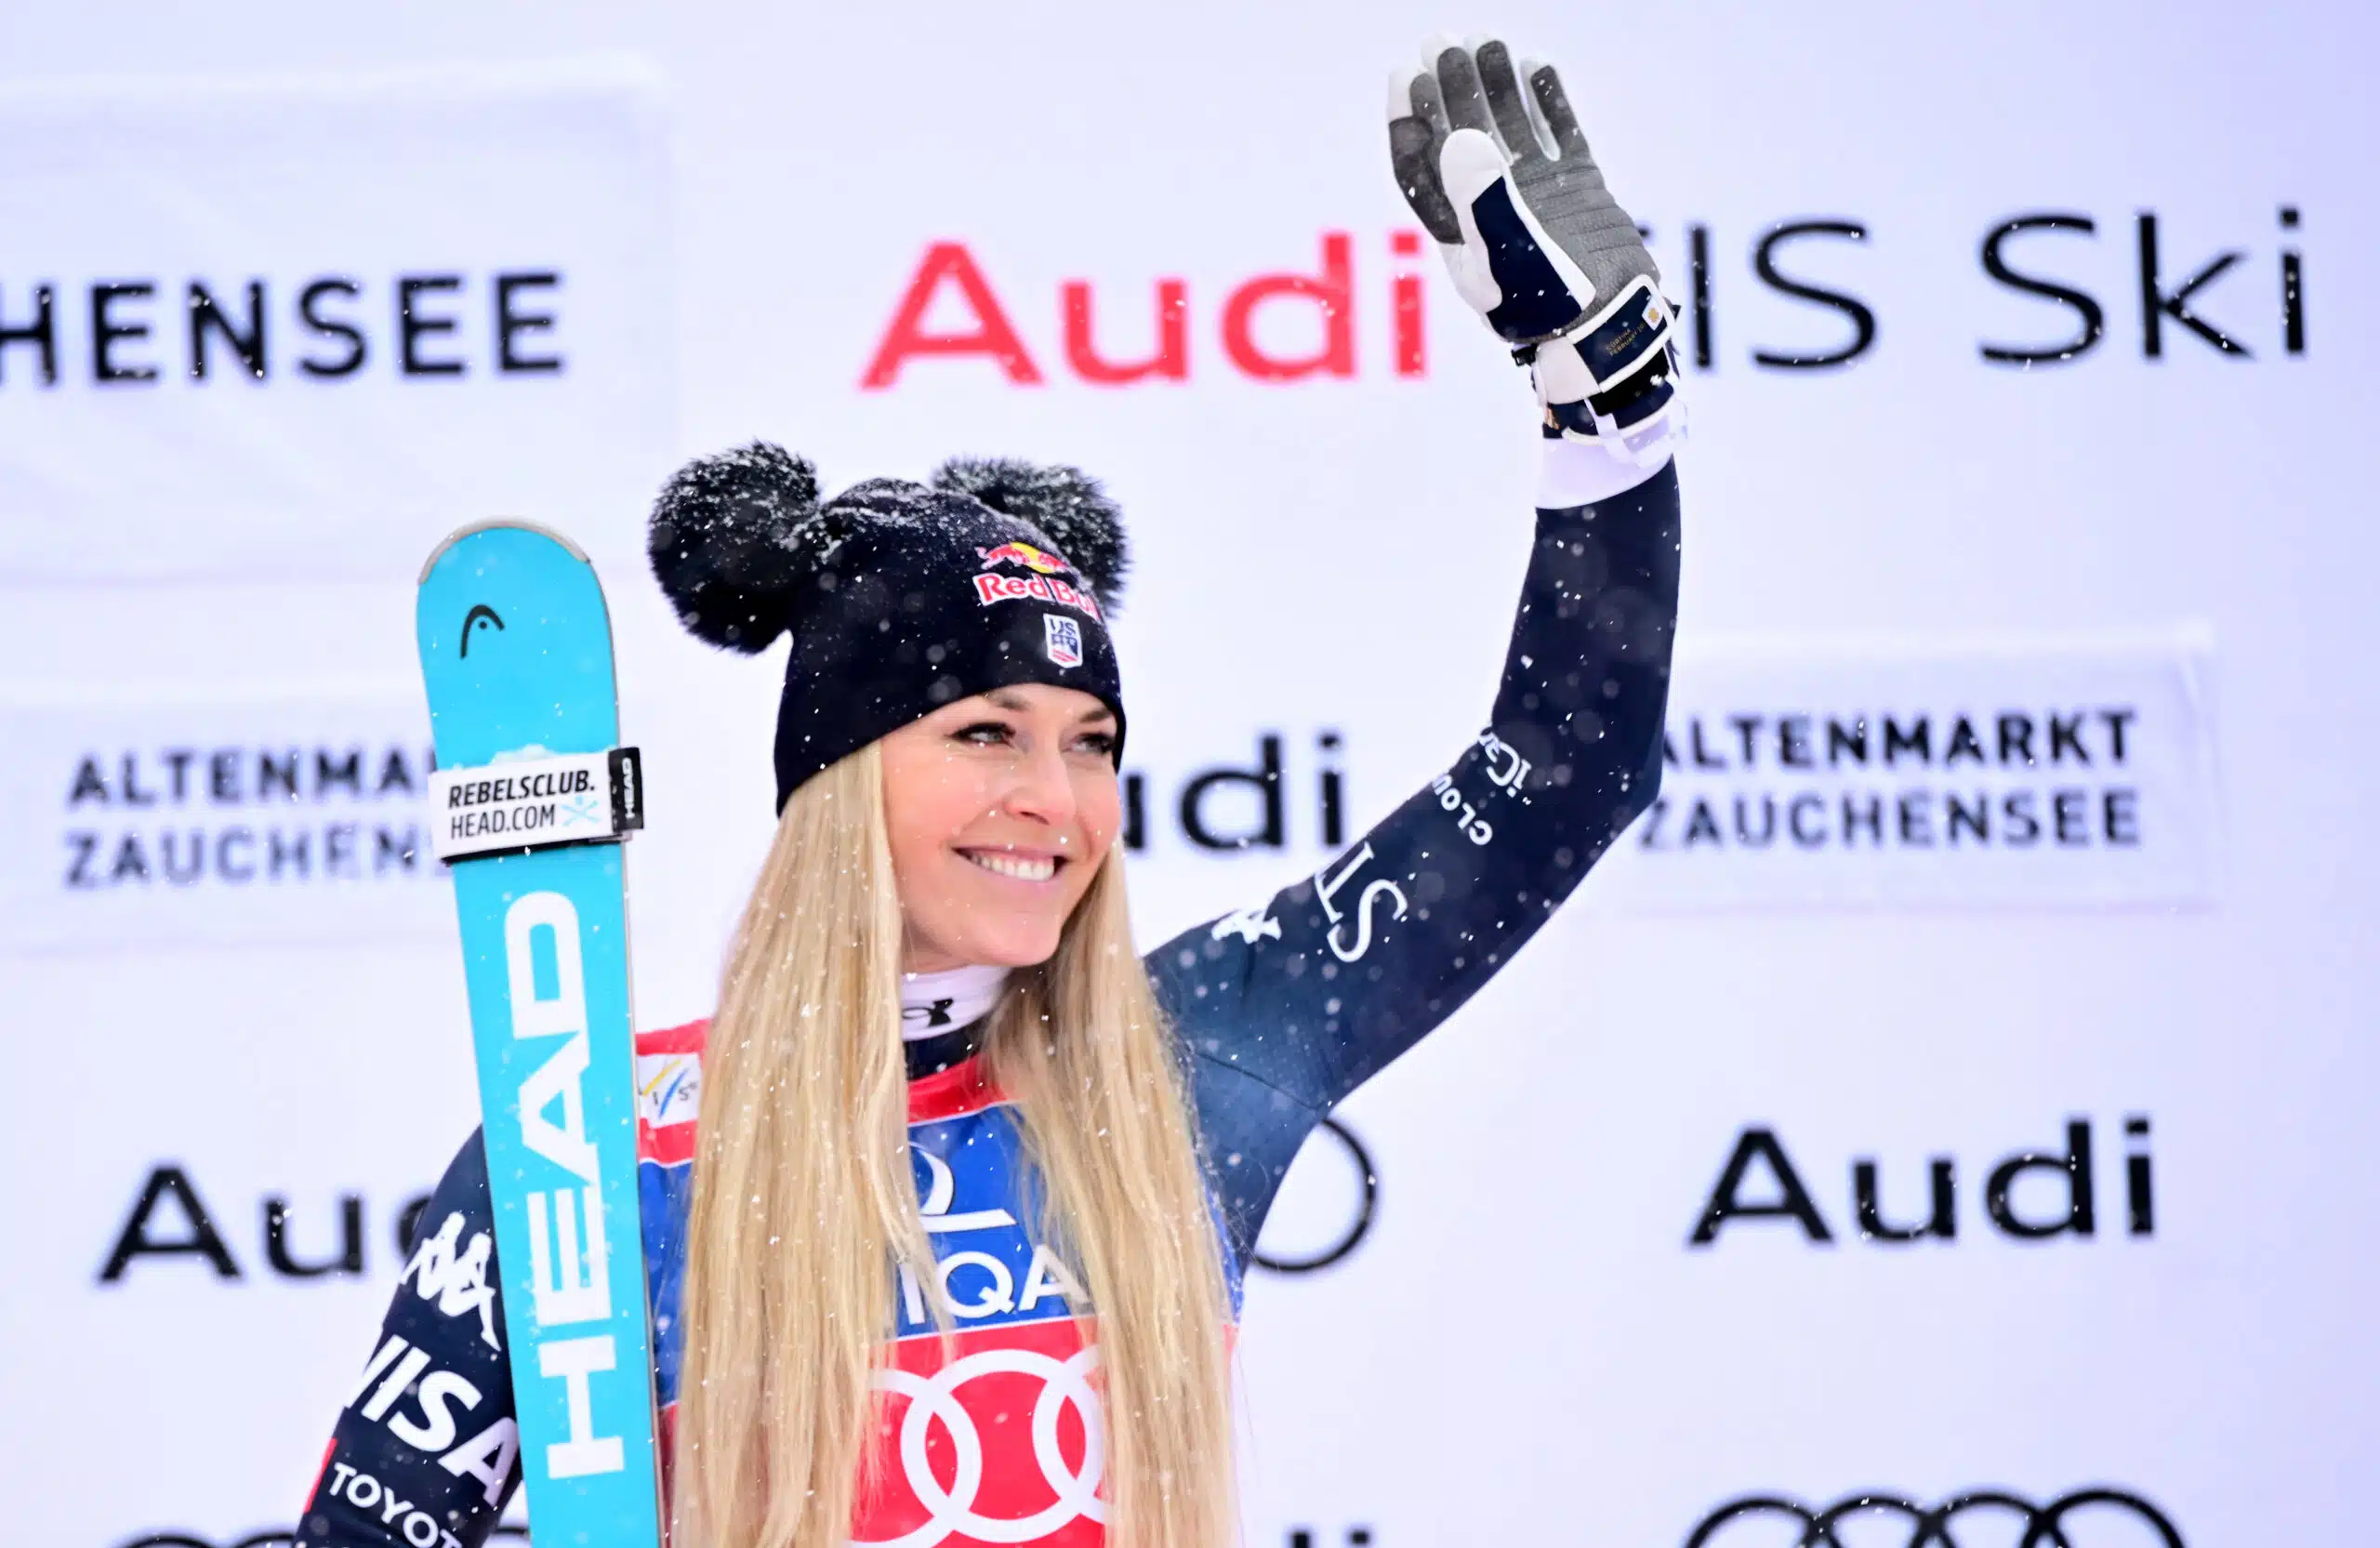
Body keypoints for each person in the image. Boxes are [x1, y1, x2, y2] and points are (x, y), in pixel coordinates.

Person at [297, 36, 1686, 1548]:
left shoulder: (1191, 1061)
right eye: (985, 733)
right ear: (838, 779)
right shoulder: (590, 1145)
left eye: (1091, 742)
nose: (1053, 797)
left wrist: (1612, 412)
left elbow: (1565, 775)